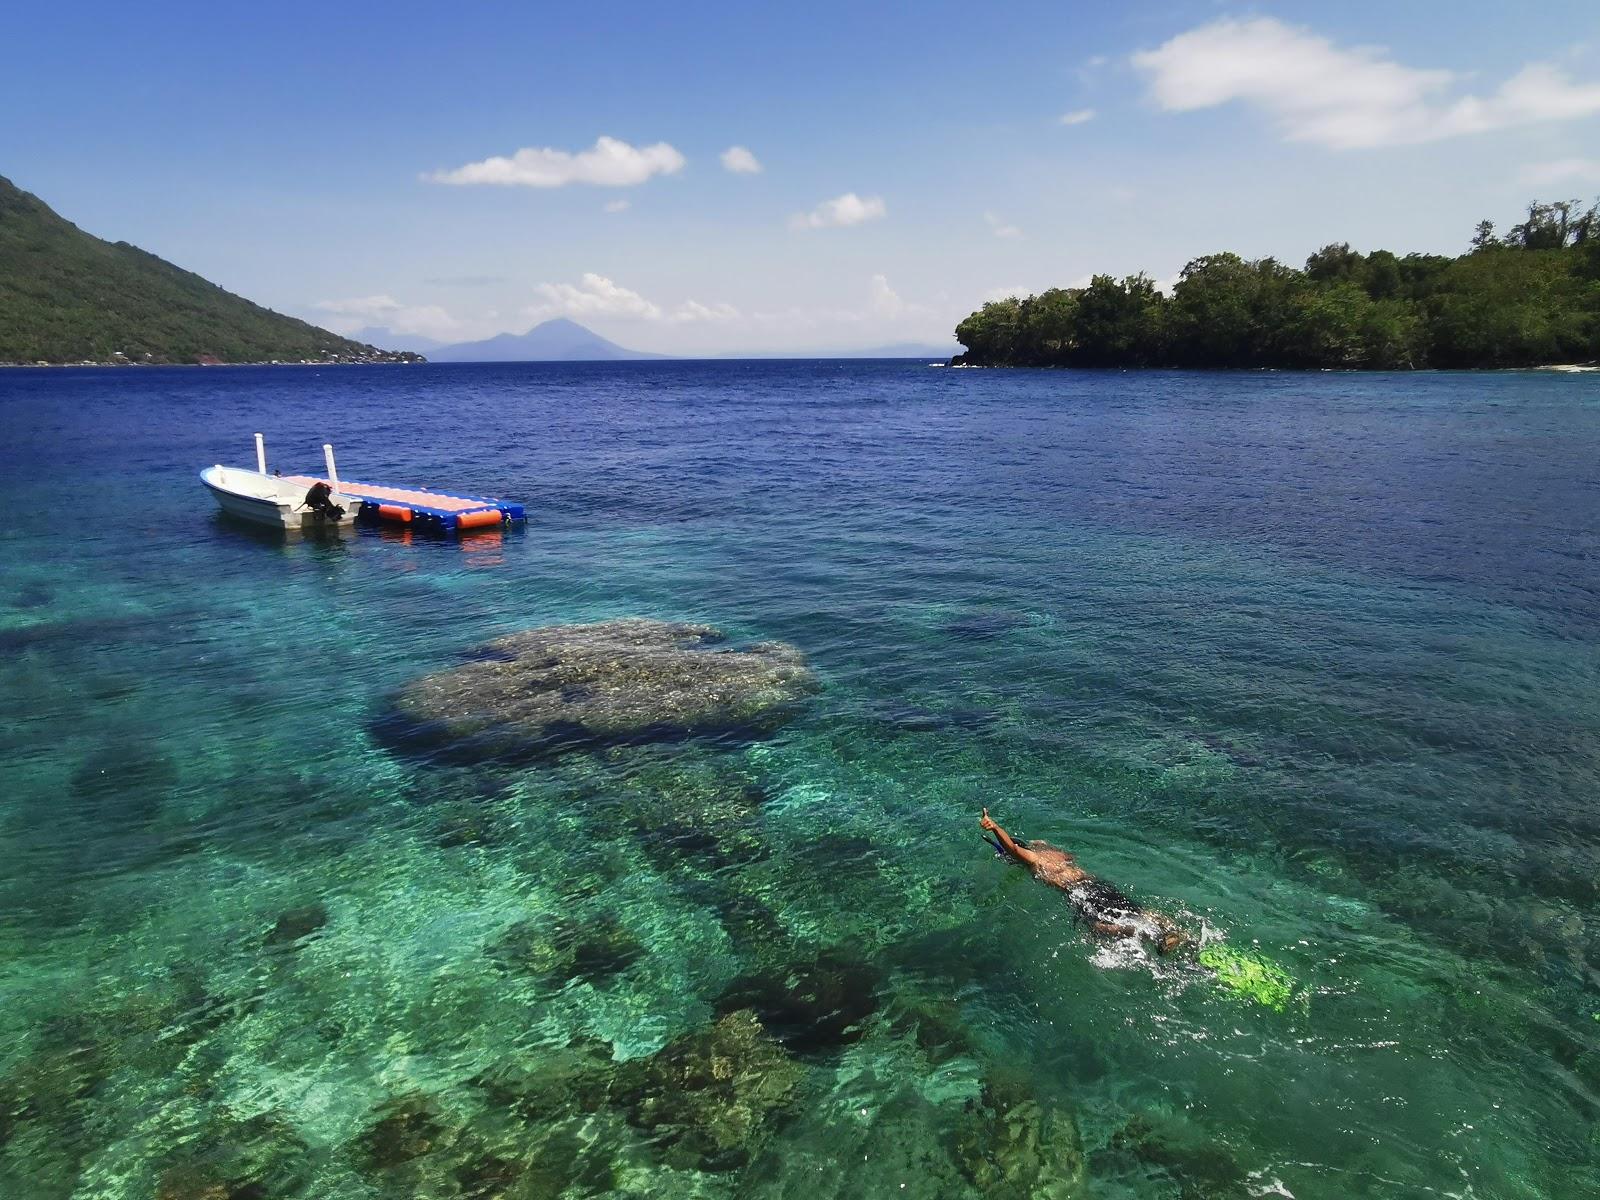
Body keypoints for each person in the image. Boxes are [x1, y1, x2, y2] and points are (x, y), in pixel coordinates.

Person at [980, 808, 1186, 954]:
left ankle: (1144, 934)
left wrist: (996, 829)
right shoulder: (1053, 853)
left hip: (1079, 892)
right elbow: (1068, 855)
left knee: (1097, 927)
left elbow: (1013, 849)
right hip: (1096, 883)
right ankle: (1174, 930)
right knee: (1136, 909)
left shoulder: (1032, 860)